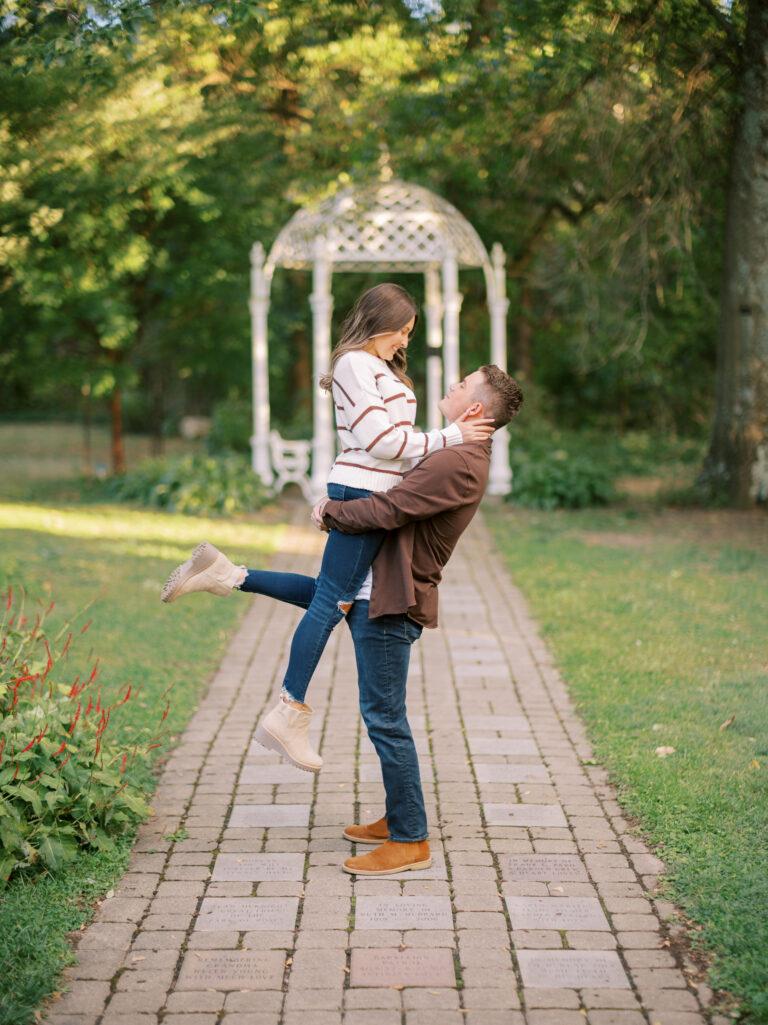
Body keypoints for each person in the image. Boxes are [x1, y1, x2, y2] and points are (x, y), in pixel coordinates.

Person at [162, 364, 523, 875]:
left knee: (385, 719)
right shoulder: (454, 450)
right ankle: (230, 575)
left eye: (462, 384)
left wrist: (331, 509)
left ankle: (410, 839)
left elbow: (389, 509)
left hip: (392, 602)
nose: (451, 385)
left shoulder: (460, 462)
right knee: (327, 601)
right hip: (377, 586)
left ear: (475, 410)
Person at [161, 283, 494, 774]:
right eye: (402, 331)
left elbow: (383, 448)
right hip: (362, 494)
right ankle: (287, 711)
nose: (405, 341)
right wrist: (451, 435)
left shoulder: (378, 367)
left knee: (332, 592)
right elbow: (381, 442)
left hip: (365, 491)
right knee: (331, 602)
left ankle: (228, 574)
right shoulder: (354, 364)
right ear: (381, 323)